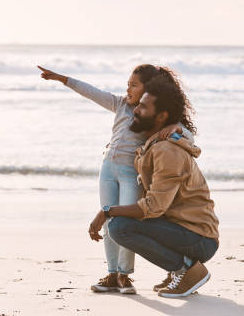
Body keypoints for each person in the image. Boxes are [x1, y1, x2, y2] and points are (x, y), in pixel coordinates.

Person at [38, 65, 195, 294]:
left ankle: (124, 276)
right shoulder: (120, 104)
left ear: (147, 89)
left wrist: (174, 127)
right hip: (108, 169)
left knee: (125, 222)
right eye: (127, 84)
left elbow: (187, 134)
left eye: (134, 85)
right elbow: (91, 92)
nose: (128, 89)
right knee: (109, 222)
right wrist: (63, 79)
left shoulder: (152, 112)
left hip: (131, 173)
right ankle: (112, 274)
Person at [87, 76, 219, 298]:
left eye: (143, 107)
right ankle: (178, 270)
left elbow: (154, 206)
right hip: (183, 229)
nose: (135, 110)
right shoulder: (153, 145)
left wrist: (107, 211)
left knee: (119, 226)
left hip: (199, 239)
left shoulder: (167, 151)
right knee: (123, 222)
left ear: (161, 116)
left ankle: (186, 270)